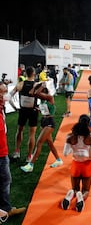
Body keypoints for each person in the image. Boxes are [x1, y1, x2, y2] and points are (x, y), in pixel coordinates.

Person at [20, 82, 63, 172]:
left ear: (43, 91)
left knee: (39, 143)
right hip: (44, 122)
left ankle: (31, 165)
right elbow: (31, 93)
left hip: (49, 123)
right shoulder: (43, 99)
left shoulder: (49, 97)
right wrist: (36, 86)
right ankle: (59, 160)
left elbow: (35, 93)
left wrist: (41, 85)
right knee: (50, 144)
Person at [0, 83, 26, 221]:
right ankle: (5, 210)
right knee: (5, 180)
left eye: (5, 91)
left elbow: (9, 96)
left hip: (3, 152)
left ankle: (5, 208)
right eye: (2, 92)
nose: (5, 95)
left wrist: (16, 89)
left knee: (5, 180)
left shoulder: (1, 107)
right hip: (0, 154)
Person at [61, 114, 91, 212]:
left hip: (76, 165)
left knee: (75, 188)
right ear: (88, 123)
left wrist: (74, 148)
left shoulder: (70, 136)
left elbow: (65, 153)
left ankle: (70, 196)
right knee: (86, 190)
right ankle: (81, 197)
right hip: (87, 165)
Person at [9, 66, 38, 162]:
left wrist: (14, 107)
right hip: (33, 111)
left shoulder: (20, 84)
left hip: (23, 110)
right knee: (32, 134)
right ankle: (29, 156)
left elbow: (9, 97)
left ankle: (17, 152)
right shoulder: (37, 85)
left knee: (20, 130)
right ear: (34, 74)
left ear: (25, 74)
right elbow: (45, 98)